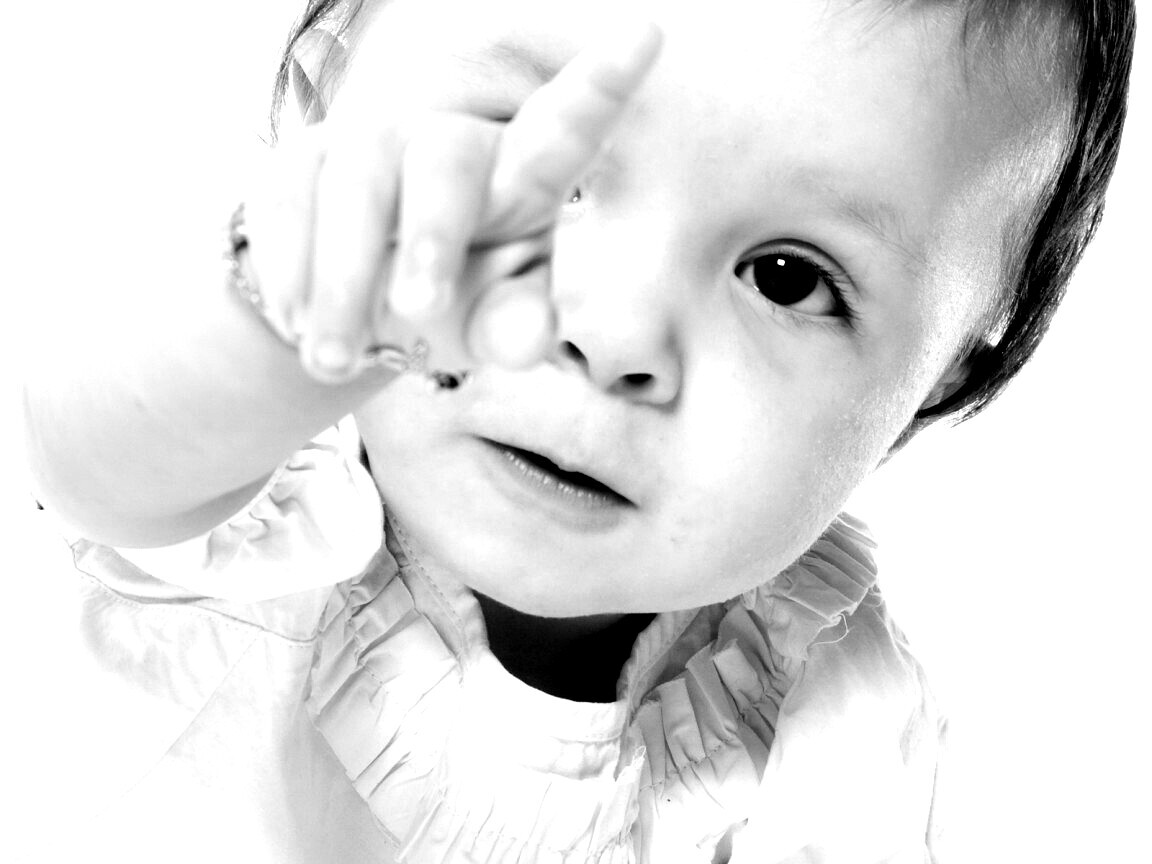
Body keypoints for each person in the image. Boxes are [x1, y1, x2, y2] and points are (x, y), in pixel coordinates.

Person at [21, 0, 1135, 860]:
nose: (611, 337)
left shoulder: (849, 731)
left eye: (787, 278)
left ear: (936, 382)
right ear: (322, 101)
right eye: (522, 162)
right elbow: (91, 463)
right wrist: (295, 315)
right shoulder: (242, 481)